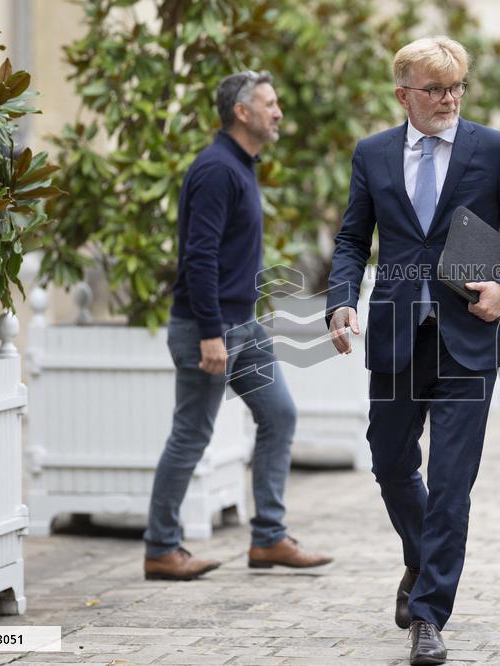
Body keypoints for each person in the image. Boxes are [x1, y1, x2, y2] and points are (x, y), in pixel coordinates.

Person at [325, 37, 500, 665]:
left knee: (452, 484)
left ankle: (428, 615)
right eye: (435, 89)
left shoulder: (494, 149)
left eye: (456, 87)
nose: (449, 99)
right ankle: (420, 556)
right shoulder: (373, 153)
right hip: (398, 335)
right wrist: (340, 300)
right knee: (389, 461)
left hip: (469, 339)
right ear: (404, 95)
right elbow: (352, 239)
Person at [143, 70, 332, 581]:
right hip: (211, 328)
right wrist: (210, 333)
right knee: (191, 433)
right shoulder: (216, 170)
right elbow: (199, 257)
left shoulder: (240, 166)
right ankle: (161, 547)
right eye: (270, 104)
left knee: (280, 415)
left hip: (243, 326)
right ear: (242, 113)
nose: (279, 113)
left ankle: (269, 537)